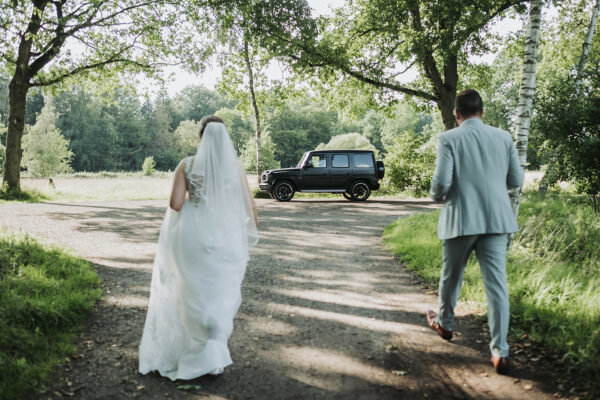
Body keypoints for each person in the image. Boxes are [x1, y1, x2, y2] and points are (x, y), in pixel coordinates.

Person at [139, 116, 259, 380]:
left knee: (192, 293)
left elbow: (176, 204)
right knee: (220, 294)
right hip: (225, 237)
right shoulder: (235, 169)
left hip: (192, 237)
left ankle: (193, 349)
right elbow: (250, 207)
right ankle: (213, 356)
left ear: (201, 138)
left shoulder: (187, 165)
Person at [426, 89, 524, 374]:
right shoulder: (503, 137)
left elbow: (442, 182)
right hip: (496, 220)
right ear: (482, 112)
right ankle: (500, 352)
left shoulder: (449, 138)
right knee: (497, 285)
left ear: (457, 114)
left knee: (451, 275)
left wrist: (436, 196)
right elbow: (515, 180)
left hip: (461, 218)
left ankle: (445, 324)